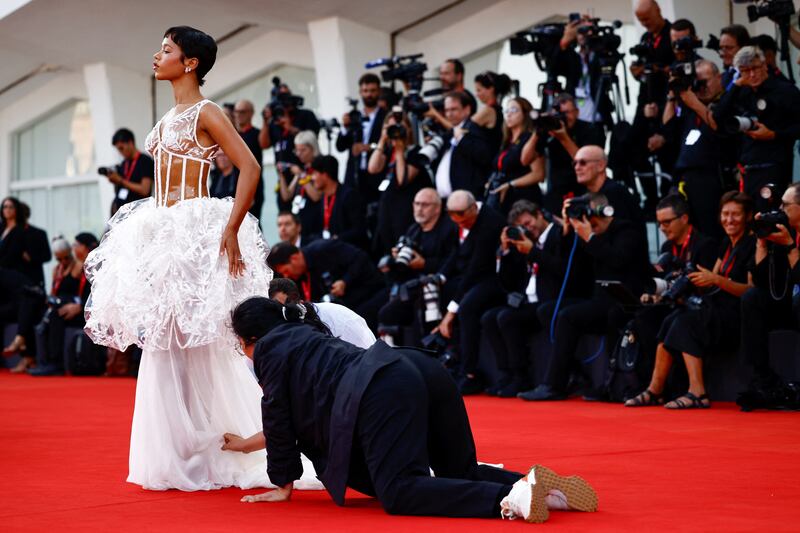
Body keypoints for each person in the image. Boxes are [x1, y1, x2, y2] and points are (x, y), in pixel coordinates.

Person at [82, 26, 318, 491]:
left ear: (190, 63)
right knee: (166, 340)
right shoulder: (170, 115)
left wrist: (231, 226)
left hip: (194, 232)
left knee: (192, 339)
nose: (157, 55)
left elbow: (249, 166)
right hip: (162, 228)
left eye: (167, 50)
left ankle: (206, 453)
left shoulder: (207, 112)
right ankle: (185, 453)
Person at [230, 297, 598, 522]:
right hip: (419, 366)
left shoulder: (269, 350)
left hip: (384, 385)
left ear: (251, 339)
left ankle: (511, 500)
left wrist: (283, 482)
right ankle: (537, 487)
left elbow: (276, 414)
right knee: (459, 470)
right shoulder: (309, 332)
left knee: (401, 491)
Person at [626, 191, 756, 409]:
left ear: (747, 217)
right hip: (715, 309)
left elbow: (750, 290)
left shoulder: (752, 244)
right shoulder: (726, 244)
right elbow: (711, 282)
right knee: (671, 319)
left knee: (684, 322)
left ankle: (698, 392)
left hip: (736, 314)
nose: (729, 219)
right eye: (725, 214)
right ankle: (655, 389)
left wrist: (714, 279)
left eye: (735, 214)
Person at [521, 192, 652, 401]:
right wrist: (566, 231)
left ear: (602, 211)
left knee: (568, 316)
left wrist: (590, 237)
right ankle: (573, 373)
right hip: (598, 299)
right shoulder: (584, 234)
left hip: (623, 301)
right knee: (548, 310)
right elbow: (570, 268)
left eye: (590, 216)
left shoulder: (626, 230)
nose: (588, 222)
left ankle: (554, 385)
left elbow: (617, 260)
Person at [481, 201, 573, 397]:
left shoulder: (558, 235)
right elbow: (508, 282)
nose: (527, 228)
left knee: (506, 318)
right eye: (522, 226)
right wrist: (505, 252)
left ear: (539, 214)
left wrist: (533, 252)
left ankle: (521, 376)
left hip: (551, 300)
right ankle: (506, 374)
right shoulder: (524, 241)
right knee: (489, 317)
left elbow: (563, 270)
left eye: (529, 222)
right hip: (527, 301)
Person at [435, 191, 505, 394]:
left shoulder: (490, 224)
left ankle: (470, 373)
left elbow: (477, 269)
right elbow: (456, 254)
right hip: (473, 276)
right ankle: (452, 359)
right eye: (454, 219)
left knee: (466, 308)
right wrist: (441, 277)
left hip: (496, 279)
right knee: (444, 290)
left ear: (473, 208)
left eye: (463, 220)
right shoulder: (463, 219)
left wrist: (451, 312)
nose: (460, 223)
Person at [713, 46, 800, 200]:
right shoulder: (741, 92)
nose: (752, 74)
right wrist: (736, 85)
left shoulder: (785, 91)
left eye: (755, 68)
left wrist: (774, 134)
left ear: (764, 65)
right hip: (747, 168)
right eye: (746, 70)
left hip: (774, 165)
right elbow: (718, 117)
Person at [376, 188, 458, 343]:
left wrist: (425, 264)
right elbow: (401, 269)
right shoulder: (413, 229)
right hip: (410, 287)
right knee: (384, 312)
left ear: (438, 208)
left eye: (425, 205)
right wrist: (394, 261)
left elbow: (455, 263)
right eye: (417, 204)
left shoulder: (449, 229)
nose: (419, 209)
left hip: (439, 288)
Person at [740, 182, 800, 390]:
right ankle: (762, 376)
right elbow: (758, 279)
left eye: (785, 206)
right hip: (786, 305)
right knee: (752, 297)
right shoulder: (783, 231)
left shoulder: (789, 237)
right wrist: (762, 241)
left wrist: (790, 246)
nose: (780, 211)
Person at [661, 59, 729, 239]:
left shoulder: (725, 104)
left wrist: (694, 103)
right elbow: (668, 130)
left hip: (711, 180)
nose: (701, 87)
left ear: (719, 78)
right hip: (685, 180)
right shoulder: (690, 110)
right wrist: (672, 95)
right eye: (696, 83)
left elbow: (720, 128)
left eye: (704, 81)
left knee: (709, 233)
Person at [267, 239, 387, 329]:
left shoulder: (325, 249)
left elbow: (360, 258)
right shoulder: (300, 276)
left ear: (294, 258)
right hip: (344, 307)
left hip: (371, 294)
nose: (287, 276)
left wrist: (345, 281)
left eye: (286, 271)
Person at [520, 94, 606, 214]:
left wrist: (563, 138)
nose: (564, 117)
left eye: (567, 113)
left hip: (582, 189)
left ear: (577, 112)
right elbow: (525, 160)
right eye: (559, 114)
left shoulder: (589, 129)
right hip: (557, 190)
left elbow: (585, 161)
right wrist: (538, 131)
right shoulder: (550, 130)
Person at [29, 233, 97, 376]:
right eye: (59, 258)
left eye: (66, 257)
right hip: (69, 306)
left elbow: (89, 293)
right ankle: (42, 360)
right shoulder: (58, 270)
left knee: (56, 315)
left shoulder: (80, 267)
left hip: (82, 309)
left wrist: (79, 306)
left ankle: (56, 362)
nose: (63, 261)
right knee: (45, 314)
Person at [368, 109, 432, 254]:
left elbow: (402, 180)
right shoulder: (388, 151)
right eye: (391, 128)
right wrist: (383, 139)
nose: (395, 132)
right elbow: (372, 168)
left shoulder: (416, 152)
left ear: (408, 129)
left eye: (399, 127)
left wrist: (400, 150)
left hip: (406, 210)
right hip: (387, 207)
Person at [336, 73, 387, 222]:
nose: (369, 94)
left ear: (379, 92)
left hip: (377, 175)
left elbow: (389, 144)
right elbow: (340, 146)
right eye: (365, 91)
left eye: (372, 90)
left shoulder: (385, 116)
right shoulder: (354, 116)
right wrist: (345, 128)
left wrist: (369, 147)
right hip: (354, 176)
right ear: (360, 92)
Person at [429, 91, 492, 199]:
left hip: (466, 200)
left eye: (454, 109)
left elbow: (483, 156)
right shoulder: (449, 133)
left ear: (467, 110)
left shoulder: (474, 129)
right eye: (446, 110)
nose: (449, 114)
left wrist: (461, 139)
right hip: (445, 201)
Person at [486, 97, 543, 214]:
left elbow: (538, 174)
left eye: (514, 110)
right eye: (506, 111)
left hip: (523, 198)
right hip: (503, 199)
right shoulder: (506, 141)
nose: (509, 114)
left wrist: (511, 184)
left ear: (525, 113)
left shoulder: (530, 138)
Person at [308, 155, 367, 248]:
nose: (312, 178)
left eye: (315, 173)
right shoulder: (324, 198)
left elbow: (359, 229)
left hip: (350, 252)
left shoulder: (349, 196)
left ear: (325, 175)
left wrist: (337, 239)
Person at [276, 130, 322, 239]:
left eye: (303, 150)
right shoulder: (302, 170)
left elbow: (316, 196)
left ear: (313, 149)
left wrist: (301, 175)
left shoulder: (319, 168)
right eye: (297, 150)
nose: (299, 154)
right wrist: (281, 175)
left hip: (315, 220)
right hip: (299, 221)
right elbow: (286, 196)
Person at [105, 128, 155, 216]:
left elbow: (145, 189)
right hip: (123, 214)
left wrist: (120, 181)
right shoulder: (124, 164)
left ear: (130, 143)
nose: (120, 152)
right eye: (118, 149)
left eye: (121, 148)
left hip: (139, 214)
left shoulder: (145, 161)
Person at [232, 99, 265, 220]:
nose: (238, 115)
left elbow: (265, 144)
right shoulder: (233, 135)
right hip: (234, 185)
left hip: (253, 186)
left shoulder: (256, 134)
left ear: (251, 113)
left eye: (242, 112)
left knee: (252, 223)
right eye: (236, 112)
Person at [472, 71, 512, 157]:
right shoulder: (497, 110)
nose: (476, 94)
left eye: (479, 90)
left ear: (491, 89)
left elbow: (464, 129)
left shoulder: (488, 111)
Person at [718, 25, 750, 89]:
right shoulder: (722, 77)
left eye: (729, 48)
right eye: (721, 48)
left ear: (743, 48)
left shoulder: (752, 76)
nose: (723, 53)